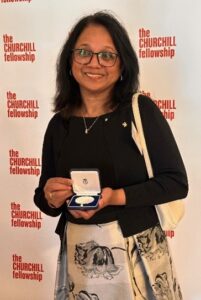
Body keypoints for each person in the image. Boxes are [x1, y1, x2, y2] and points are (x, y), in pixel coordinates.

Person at [34, 11, 188, 300]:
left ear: (122, 66)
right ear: (70, 60)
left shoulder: (140, 111)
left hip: (138, 253)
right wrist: (50, 197)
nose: (94, 63)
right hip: (80, 260)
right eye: (84, 53)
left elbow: (176, 182)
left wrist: (114, 197)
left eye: (107, 55)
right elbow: (44, 197)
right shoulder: (59, 125)